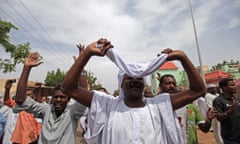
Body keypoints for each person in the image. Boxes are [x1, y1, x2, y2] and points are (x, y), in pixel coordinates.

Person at [62, 38, 206, 144]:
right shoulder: (107, 104)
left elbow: (198, 90)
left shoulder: (159, 104)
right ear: (121, 84)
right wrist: (86, 54)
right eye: (129, 77)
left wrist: (183, 58)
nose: (135, 80)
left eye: (139, 78)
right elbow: (68, 88)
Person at [13, 52, 86, 144]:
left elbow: (83, 96)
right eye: (56, 97)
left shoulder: (73, 112)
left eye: (62, 97)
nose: (58, 99)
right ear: (52, 98)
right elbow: (20, 100)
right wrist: (26, 68)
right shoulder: (45, 109)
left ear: (68, 99)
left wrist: (81, 65)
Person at [158, 74, 216, 144]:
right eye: (168, 83)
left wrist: (209, 119)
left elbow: (205, 129)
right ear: (160, 86)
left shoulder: (191, 107)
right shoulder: (156, 108)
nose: (172, 86)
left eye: (174, 83)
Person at [213, 78, 240, 144]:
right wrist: (230, 110)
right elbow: (219, 117)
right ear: (224, 87)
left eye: (235, 84)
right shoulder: (218, 101)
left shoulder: (237, 98)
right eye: (232, 85)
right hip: (230, 138)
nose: (235, 86)